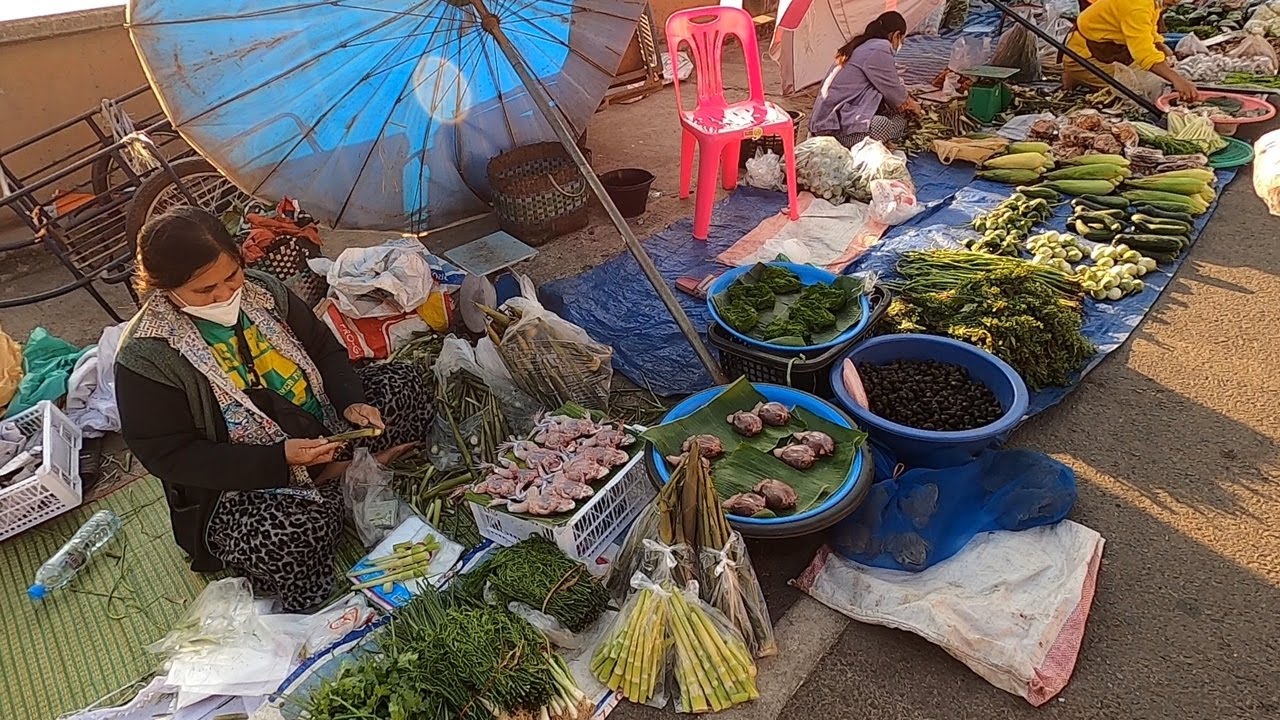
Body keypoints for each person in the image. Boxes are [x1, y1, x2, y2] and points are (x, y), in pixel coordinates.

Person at [116, 207, 421, 611]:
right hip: (245, 479)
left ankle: (340, 475)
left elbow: (324, 348)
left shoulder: (263, 291)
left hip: (324, 428)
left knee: (406, 384)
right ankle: (341, 480)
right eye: (204, 291)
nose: (225, 295)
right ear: (165, 288)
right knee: (292, 538)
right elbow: (168, 455)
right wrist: (277, 459)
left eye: (231, 277)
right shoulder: (147, 355)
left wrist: (351, 402)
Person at [809, 11, 922, 148]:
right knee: (886, 124)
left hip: (833, 118)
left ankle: (882, 135)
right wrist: (916, 108)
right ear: (896, 35)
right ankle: (873, 138)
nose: (899, 45)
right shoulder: (880, 48)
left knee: (894, 113)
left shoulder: (864, 45)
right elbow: (896, 93)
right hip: (833, 128)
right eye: (901, 40)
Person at [1062, 0, 1199, 101]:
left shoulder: (1152, 3)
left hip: (1108, 49)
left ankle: (1076, 76)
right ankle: (1076, 73)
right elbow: (1144, 55)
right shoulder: (1137, 7)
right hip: (1084, 56)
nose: (1177, 1)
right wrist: (1177, 79)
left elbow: (1148, 29)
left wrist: (1161, 46)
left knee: (1157, 78)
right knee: (1135, 90)